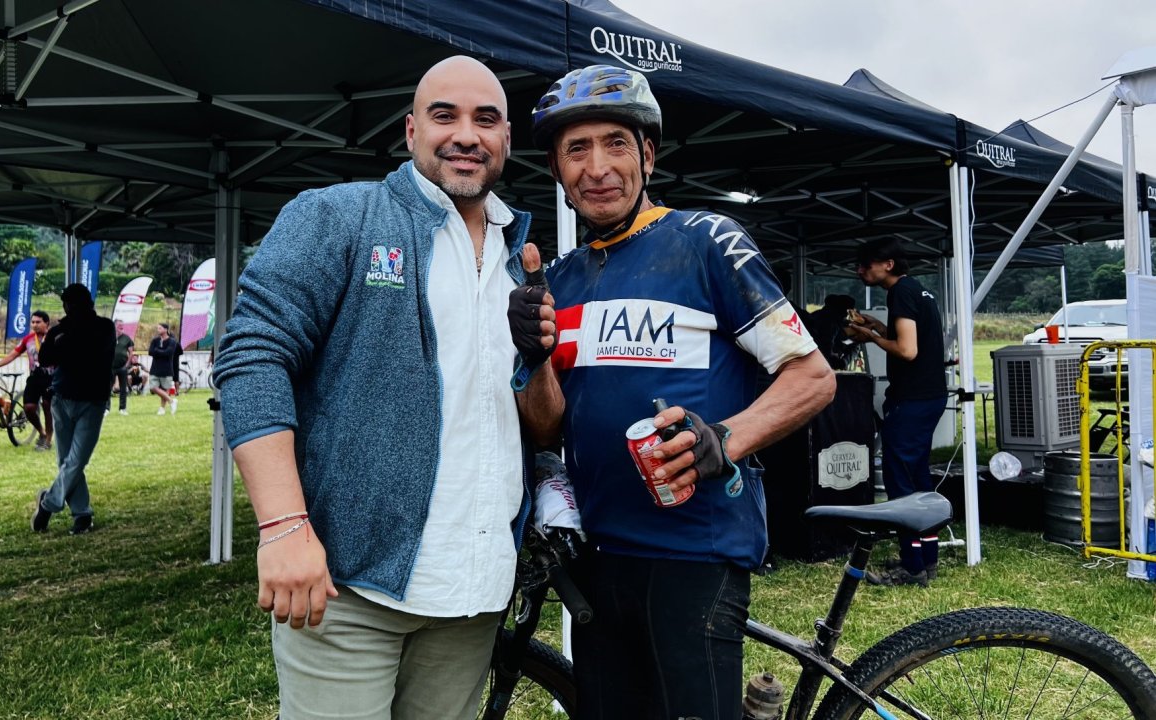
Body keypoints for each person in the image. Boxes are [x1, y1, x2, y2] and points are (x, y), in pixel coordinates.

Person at [213, 56, 545, 720]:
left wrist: (539, 362)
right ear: (411, 130)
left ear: (507, 138)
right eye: (445, 115)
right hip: (349, 589)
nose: (466, 135)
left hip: (474, 593)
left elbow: (518, 415)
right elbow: (252, 355)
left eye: (486, 119)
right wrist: (282, 525)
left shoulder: (523, 257)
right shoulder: (340, 216)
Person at [508, 64, 836, 719]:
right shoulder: (561, 279)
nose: (597, 167)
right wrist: (535, 357)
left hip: (695, 547)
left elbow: (813, 377)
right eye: (576, 150)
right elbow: (546, 429)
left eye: (616, 144)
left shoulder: (707, 242)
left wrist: (726, 438)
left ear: (648, 156)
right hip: (599, 550)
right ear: (557, 170)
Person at [848, 238, 947, 587]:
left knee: (900, 481)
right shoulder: (917, 289)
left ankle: (912, 567)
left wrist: (870, 338)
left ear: (888, 264)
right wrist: (877, 327)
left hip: (912, 399)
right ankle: (926, 558)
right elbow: (911, 337)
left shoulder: (900, 293)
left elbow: (907, 350)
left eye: (866, 264)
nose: (860, 270)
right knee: (919, 479)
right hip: (929, 396)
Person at [32, 283, 115, 536]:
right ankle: (82, 514)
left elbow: (97, 355)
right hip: (62, 398)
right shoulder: (59, 330)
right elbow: (45, 359)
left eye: (75, 303)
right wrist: (64, 342)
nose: (71, 308)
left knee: (77, 459)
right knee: (65, 460)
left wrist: (65, 344)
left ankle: (48, 503)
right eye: (69, 304)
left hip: (92, 400)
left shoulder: (104, 327)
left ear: (87, 303)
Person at [0, 310, 54, 450]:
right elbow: (12, 355)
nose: (35, 325)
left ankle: (48, 439)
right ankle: (41, 432)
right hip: (35, 377)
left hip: (51, 377)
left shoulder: (54, 338)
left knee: (47, 407)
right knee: (29, 408)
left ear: (46, 323)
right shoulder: (28, 339)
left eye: (38, 322)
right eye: (33, 322)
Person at [146, 322, 179, 415]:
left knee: (165, 389)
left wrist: (157, 351)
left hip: (166, 369)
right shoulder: (155, 340)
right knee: (153, 387)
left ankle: (162, 409)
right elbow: (150, 352)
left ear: (165, 329)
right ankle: (171, 401)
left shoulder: (172, 341)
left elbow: (168, 353)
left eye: (160, 328)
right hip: (155, 368)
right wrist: (161, 352)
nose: (158, 330)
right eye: (158, 328)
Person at [107, 321, 135, 416]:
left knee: (123, 388)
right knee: (107, 388)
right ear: (114, 326)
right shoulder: (108, 337)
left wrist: (127, 364)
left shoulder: (126, 338)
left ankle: (122, 409)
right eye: (119, 325)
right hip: (110, 367)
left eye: (122, 325)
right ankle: (106, 409)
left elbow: (131, 352)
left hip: (122, 367)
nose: (121, 327)